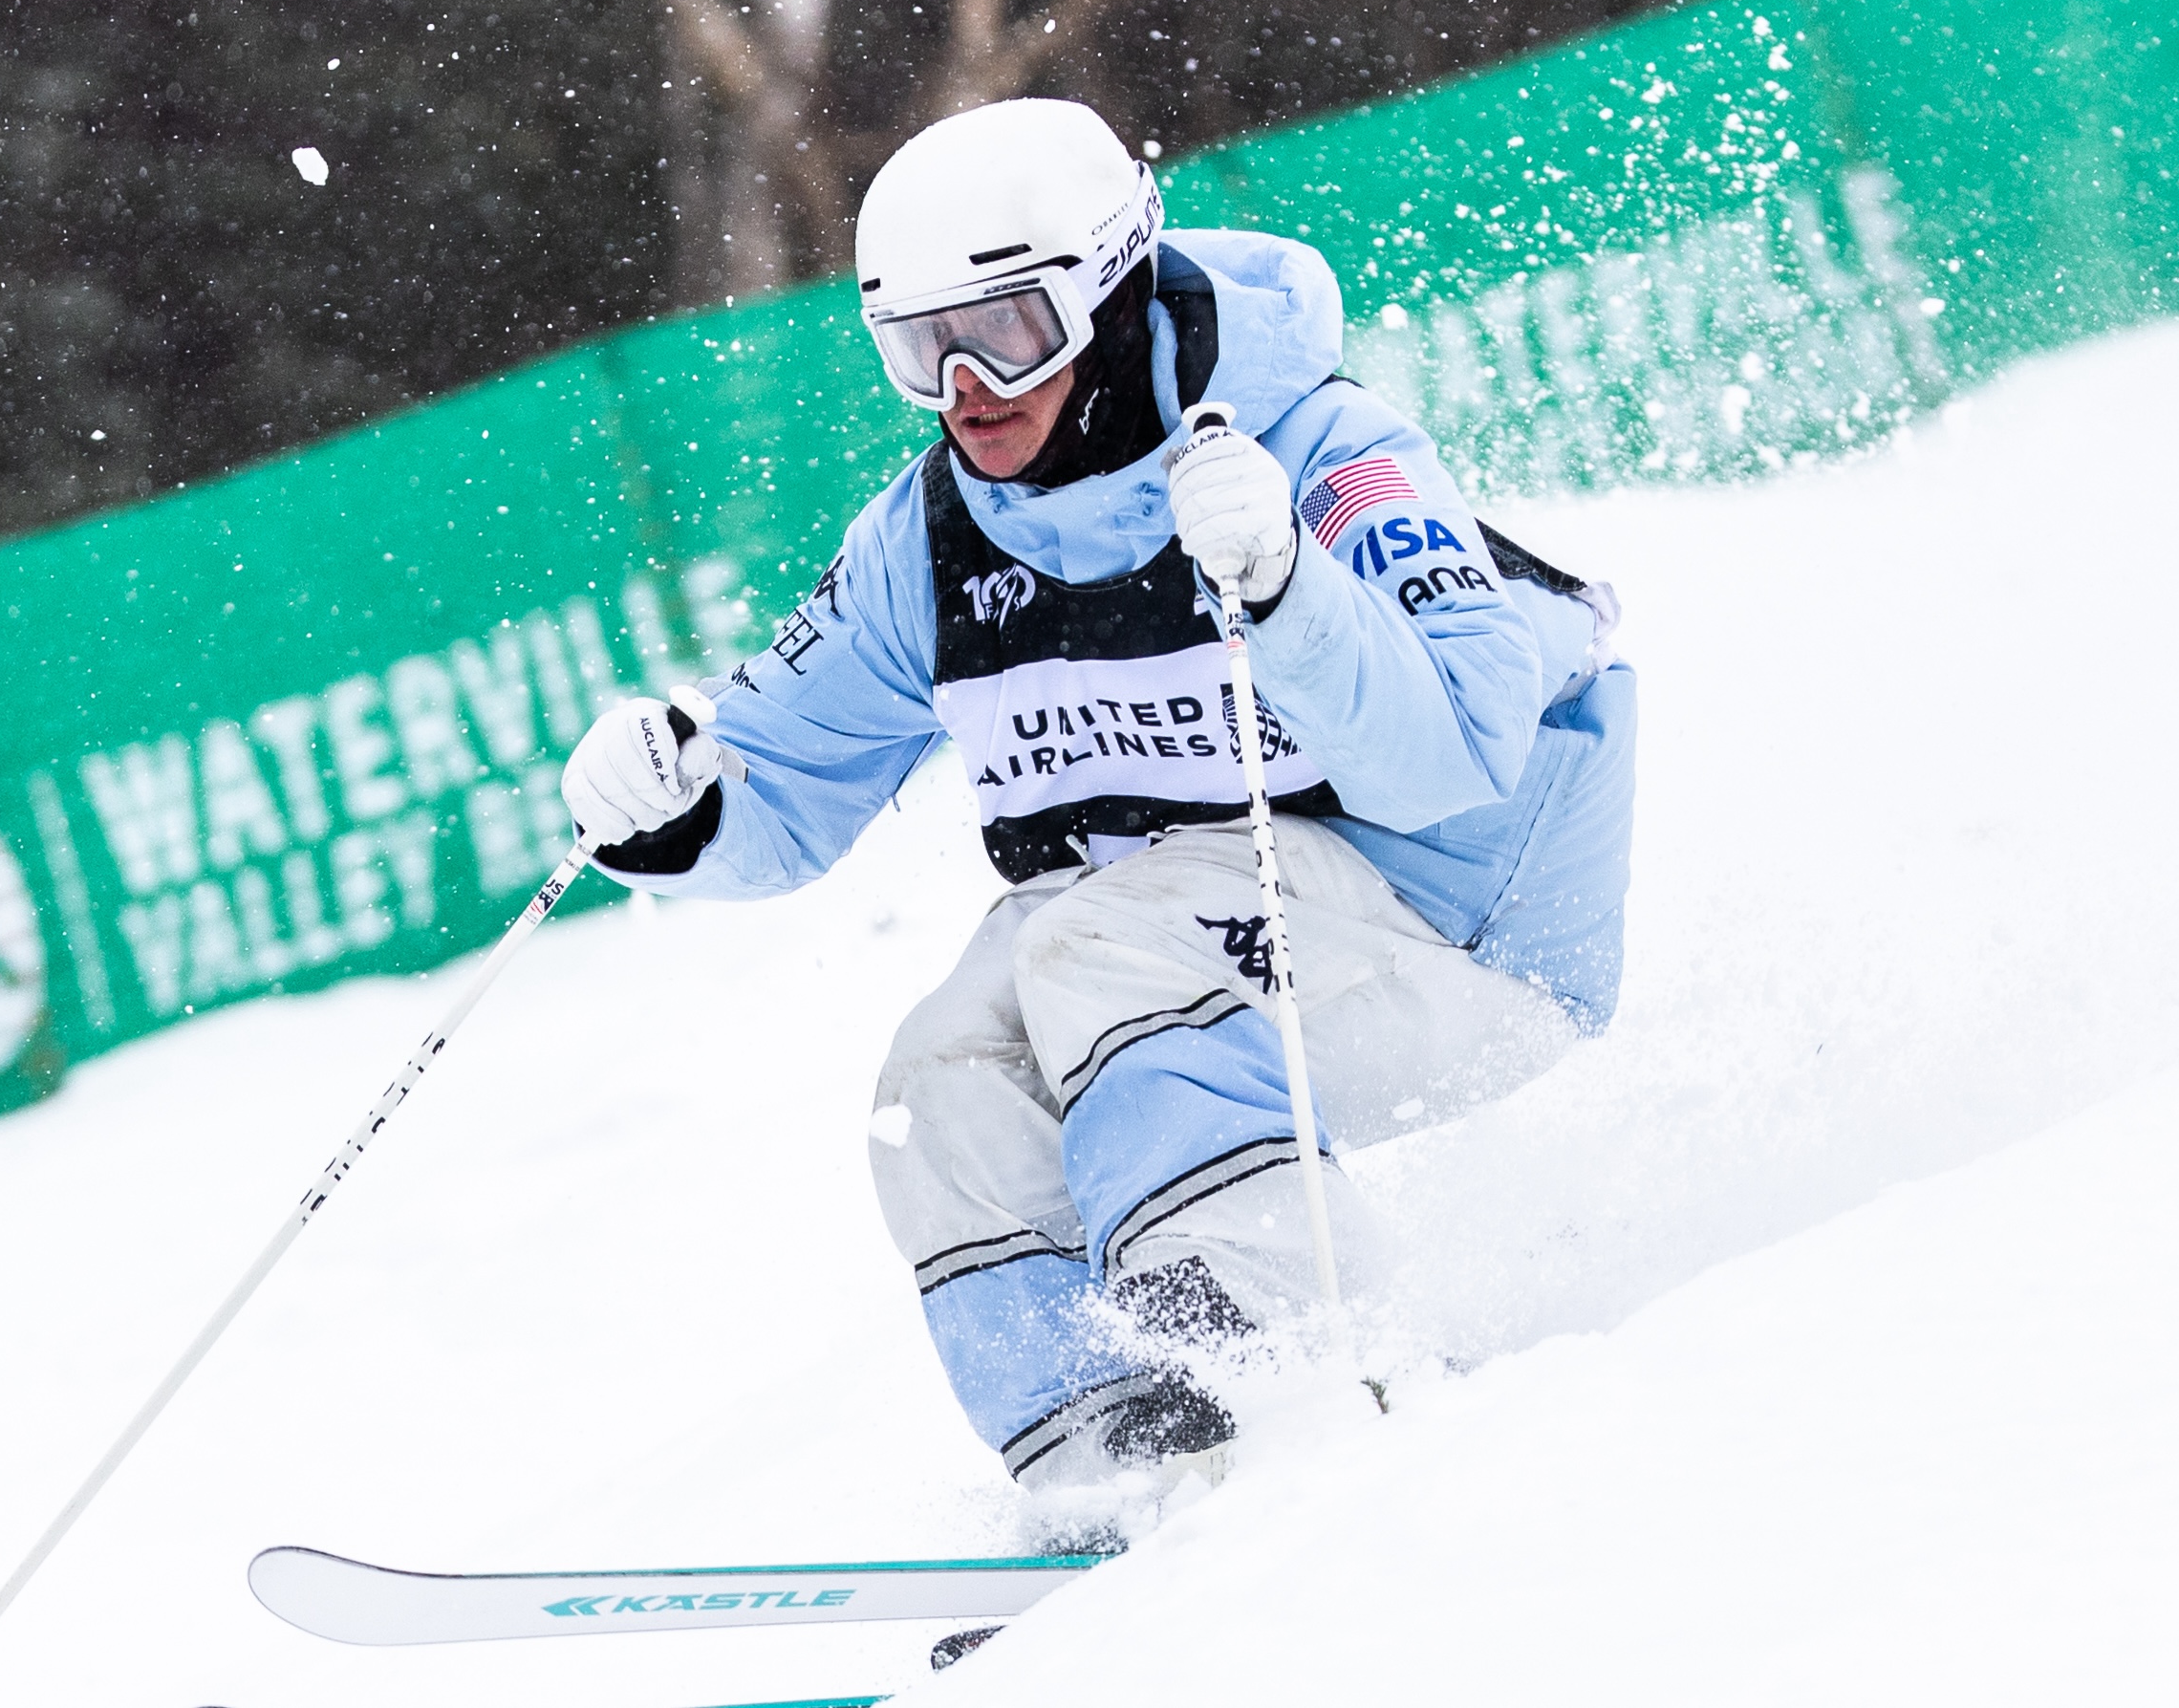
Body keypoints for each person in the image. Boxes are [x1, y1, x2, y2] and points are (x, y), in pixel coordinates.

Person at [560, 98, 1635, 1538]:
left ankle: (1311, 1377)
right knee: (939, 1072)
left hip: (1458, 939)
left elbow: (1460, 749)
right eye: (912, 347)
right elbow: (779, 776)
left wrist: (1288, 595)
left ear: (1107, 290)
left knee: (1099, 952)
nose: (962, 385)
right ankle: (1115, 1464)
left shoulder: (1322, 449)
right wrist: (672, 804)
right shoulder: (929, 537)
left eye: (1003, 328)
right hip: (1193, 936)